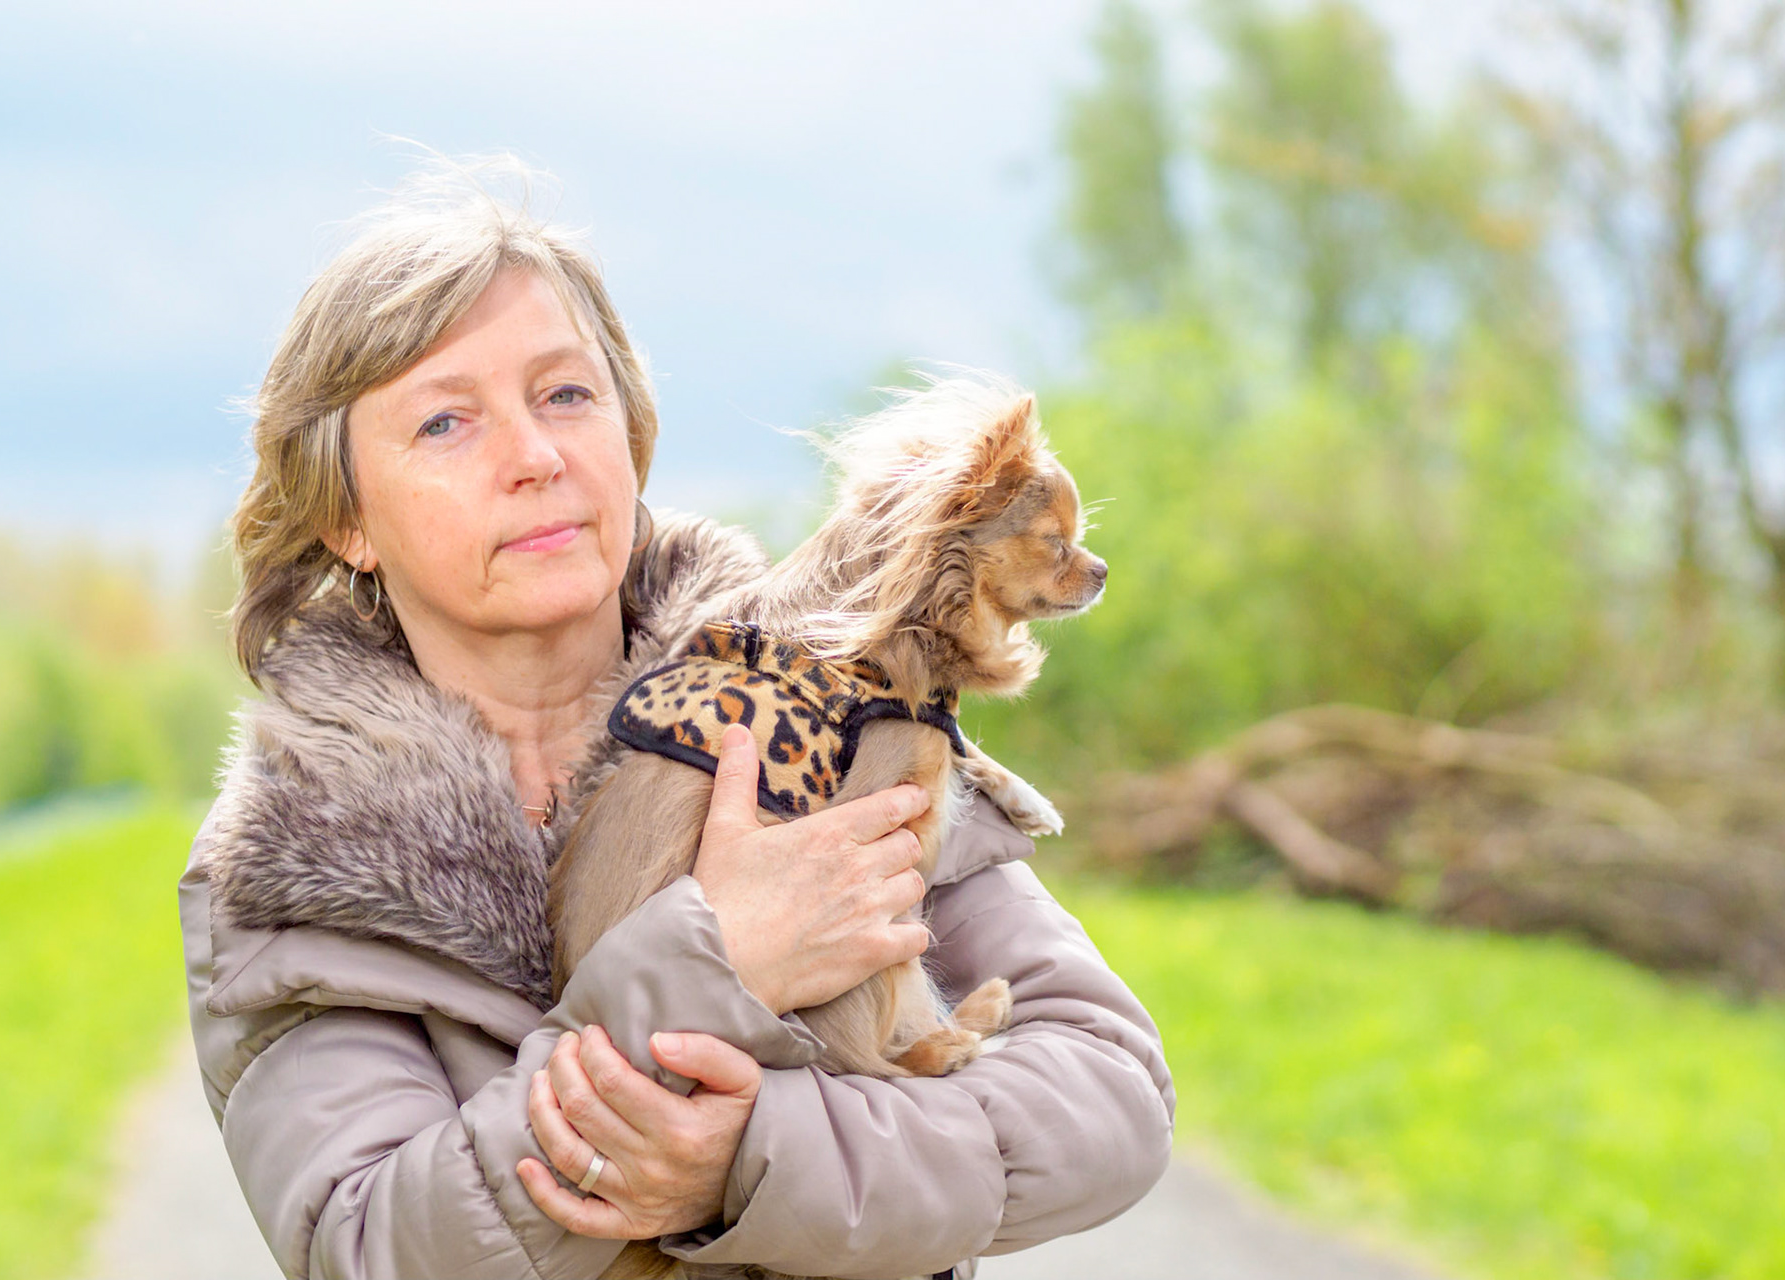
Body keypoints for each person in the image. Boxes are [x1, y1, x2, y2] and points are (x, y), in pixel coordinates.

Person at [180, 163, 1175, 1280]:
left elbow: (1112, 1093)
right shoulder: (294, 857)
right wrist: (715, 957)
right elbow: (369, 1243)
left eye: (566, 394)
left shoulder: (816, 690)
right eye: (448, 420)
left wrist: (755, 1161)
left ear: (630, 431)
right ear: (347, 517)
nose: (538, 456)